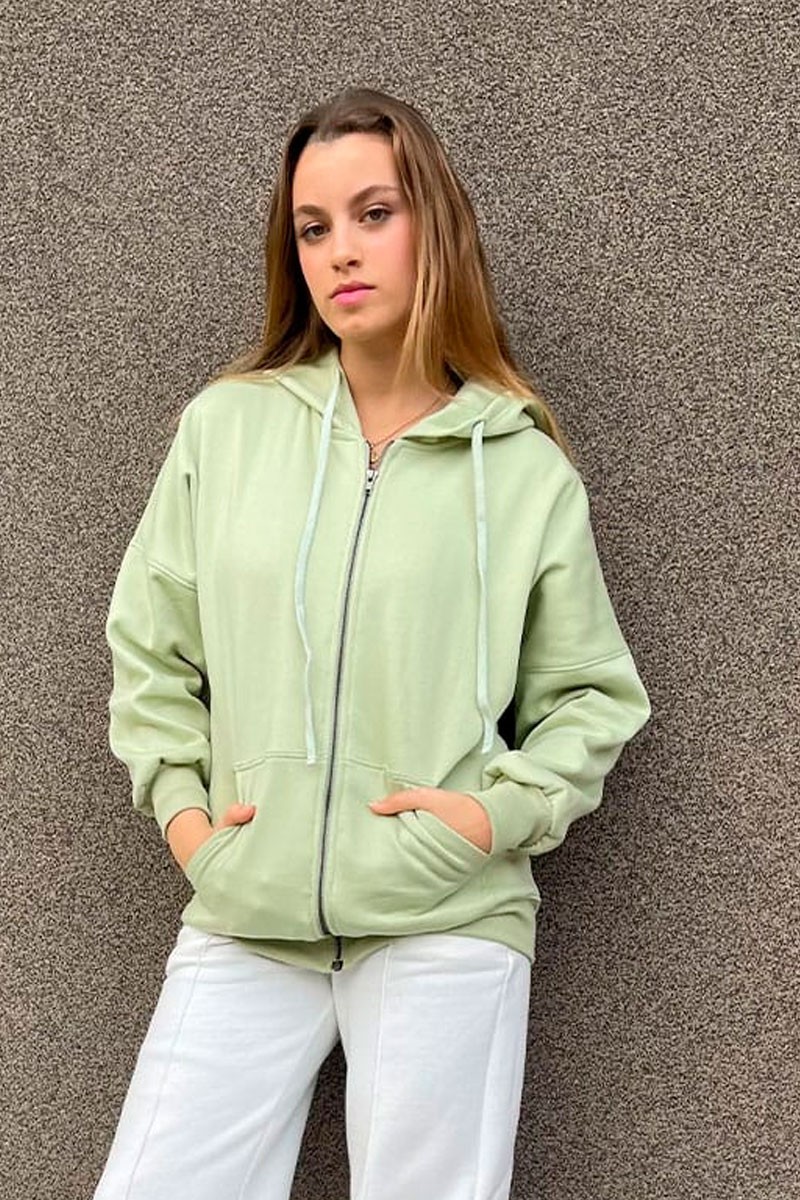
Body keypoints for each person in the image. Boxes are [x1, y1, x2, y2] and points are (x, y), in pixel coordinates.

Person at [93, 85, 650, 1200]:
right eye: (313, 228)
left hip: (446, 917)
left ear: (433, 226)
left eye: (373, 214)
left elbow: (591, 695)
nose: (340, 250)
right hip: (248, 911)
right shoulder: (227, 429)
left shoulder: (522, 468)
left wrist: (486, 819)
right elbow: (150, 648)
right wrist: (191, 824)